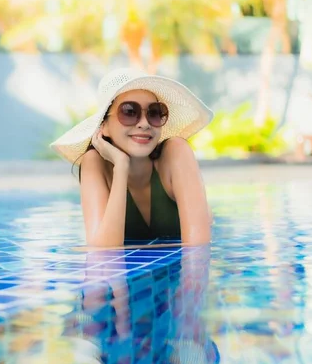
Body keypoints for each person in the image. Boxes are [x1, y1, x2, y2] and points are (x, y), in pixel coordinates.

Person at [50, 67, 213, 247]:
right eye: (129, 112)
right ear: (103, 126)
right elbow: (103, 254)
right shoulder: (94, 163)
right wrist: (120, 166)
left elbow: (198, 251)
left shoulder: (176, 152)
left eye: (154, 112)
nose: (144, 124)